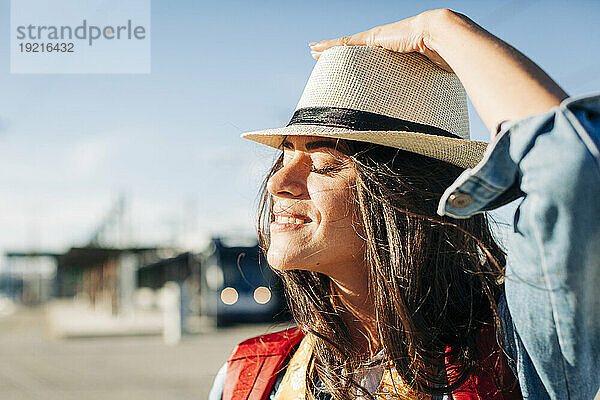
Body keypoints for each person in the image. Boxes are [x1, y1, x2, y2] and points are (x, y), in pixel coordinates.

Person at [210, 9, 600, 400]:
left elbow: (572, 165)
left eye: (325, 164)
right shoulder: (248, 376)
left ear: (407, 191)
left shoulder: (513, 348)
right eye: (284, 156)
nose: (278, 183)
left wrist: (443, 29)